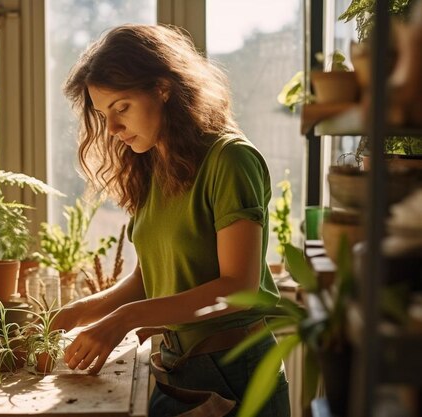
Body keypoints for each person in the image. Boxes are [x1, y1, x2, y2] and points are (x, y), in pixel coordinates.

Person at [53, 24, 290, 417]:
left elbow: (238, 287)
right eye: (102, 114)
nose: (111, 129)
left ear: (163, 88)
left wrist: (124, 320)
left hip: (238, 371)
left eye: (122, 107)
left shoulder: (230, 159)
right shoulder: (152, 168)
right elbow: (149, 279)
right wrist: (77, 313)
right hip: (178, 369)